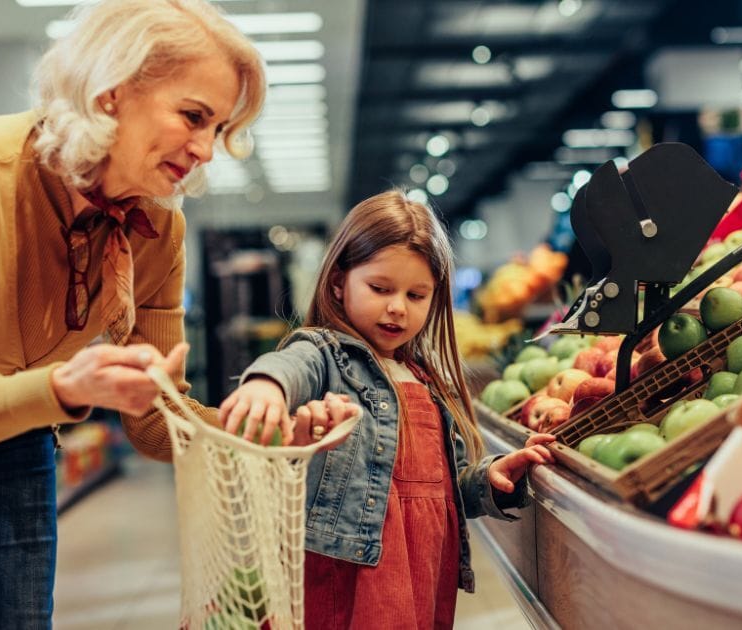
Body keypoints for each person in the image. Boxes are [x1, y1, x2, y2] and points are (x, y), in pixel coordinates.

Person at [0, 1, 353, 627]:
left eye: (217, 129)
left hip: (8, 410)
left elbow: (155, 425)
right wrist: (68, 386)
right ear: (111, 92)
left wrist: (271, 435)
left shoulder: (156, 228)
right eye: (193, 116)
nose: (205, 150)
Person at [217, 190, 557, 629]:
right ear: (339, 282)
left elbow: (446, 486)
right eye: (380, 288)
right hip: (349, 571)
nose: (397, 307)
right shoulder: (327, 353)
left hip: (425, 569)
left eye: (417, 295)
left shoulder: (427, 379)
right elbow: (290, 365)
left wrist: (489, 481)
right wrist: (266, 387)